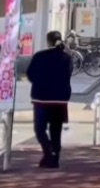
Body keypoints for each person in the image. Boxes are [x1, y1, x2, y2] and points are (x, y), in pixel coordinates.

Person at [24, 31, 74, 169]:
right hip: (60, 99)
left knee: (39, 128)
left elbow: (30, 74)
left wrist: (40, 82)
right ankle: (54, 158)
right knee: (55, 129)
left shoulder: (39, 56)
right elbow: (68, 74)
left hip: (41, 97)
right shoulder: (66, 57)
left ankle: (48, 151)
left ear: (48, 41)